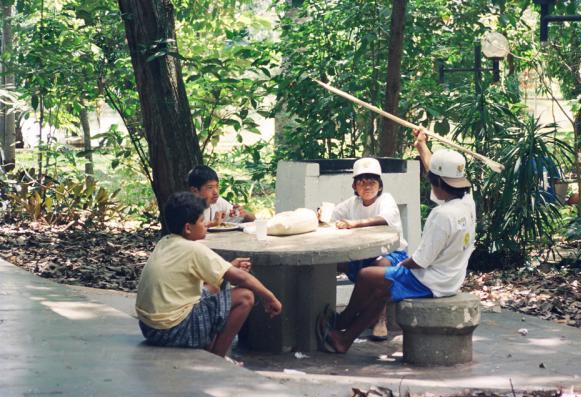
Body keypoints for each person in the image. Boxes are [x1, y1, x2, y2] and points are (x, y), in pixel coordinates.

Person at [317, 130, 476, 354]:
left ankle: (342, 322)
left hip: (429, 281)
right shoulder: (467, 201)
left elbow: (420, 261)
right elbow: (435, 170)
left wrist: (400, 266)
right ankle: (344, 339)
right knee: (381, 289)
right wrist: (421, 145)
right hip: (450, 277)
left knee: (367, 275)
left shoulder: (441, 216)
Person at [136, 192, 282, 361]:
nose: (206, 223)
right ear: (188, 228)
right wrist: (270, 298)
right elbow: (241, 278)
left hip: (150, 329)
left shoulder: (166, 242)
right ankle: (217, 358)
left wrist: (229, 266)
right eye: (201, 220)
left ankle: (208, 345)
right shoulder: (193, 250)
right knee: (245, 296)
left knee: (213, 286)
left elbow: (208, 278)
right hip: (173, 330)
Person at [322, 157, 408, 341]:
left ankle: (380, 320)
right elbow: (331, 217)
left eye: (372, 181)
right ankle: (326, 313)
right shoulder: (351, 204)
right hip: (362, 256)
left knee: (380, 265)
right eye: (361, 181)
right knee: (328, 263)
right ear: (354, 186)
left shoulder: (386, 200)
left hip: (391, 253)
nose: (367, 186)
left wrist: (355, 223)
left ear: (380, 185)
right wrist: (321, 215)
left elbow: (384, 219)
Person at [187, 165, 255, 227]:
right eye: (210, 187)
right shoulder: (184, 207)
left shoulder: (217, 202)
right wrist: (212, 224)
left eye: (217, 186)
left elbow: (253, 220)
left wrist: (244, 214)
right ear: (194, 191)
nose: (216, 192)